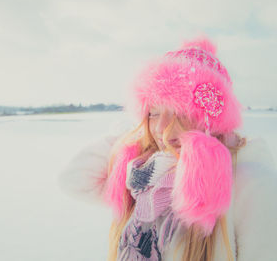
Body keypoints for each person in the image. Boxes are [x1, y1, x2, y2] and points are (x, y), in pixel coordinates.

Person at [58, 36, 277, 261]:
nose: (162, 129)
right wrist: (133, 139)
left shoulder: (250, 183)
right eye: (153, 112)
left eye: (179, 112)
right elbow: (73, 178)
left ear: (211, 119)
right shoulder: (144, 177)